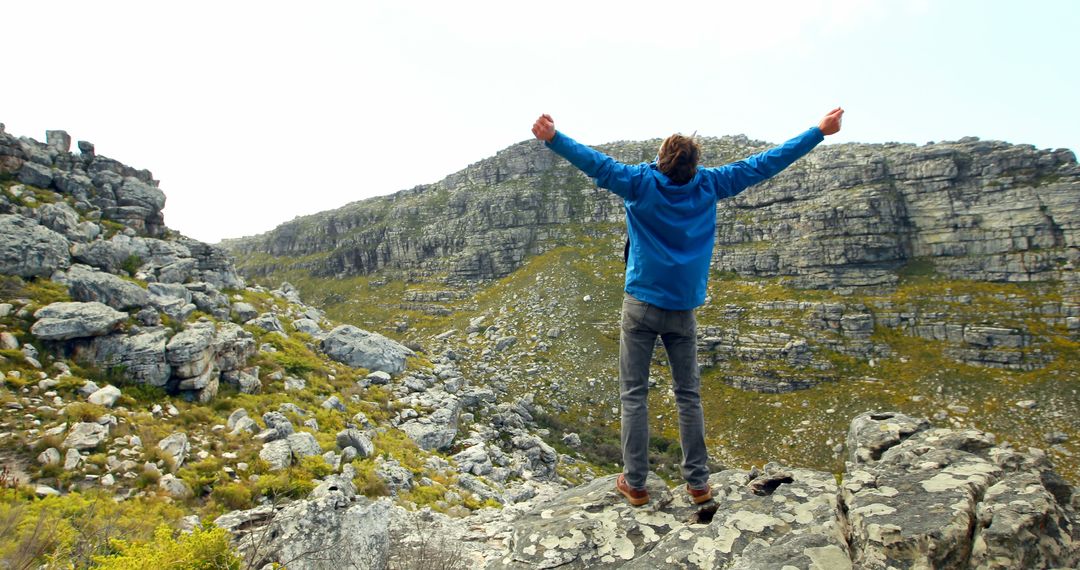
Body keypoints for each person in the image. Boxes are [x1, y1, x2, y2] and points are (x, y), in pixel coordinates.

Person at [531, 108, 844, 506]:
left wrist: (554, 138)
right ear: (695, 164)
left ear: (661, 159)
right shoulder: (711, 184)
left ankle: (636, 484)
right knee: (688, 395)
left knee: (634, 395)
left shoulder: (640, 183)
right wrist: (817, 132)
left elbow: (596, 163)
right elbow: (765, 164)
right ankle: (698, 484)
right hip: (683, 309)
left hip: (641, 305)